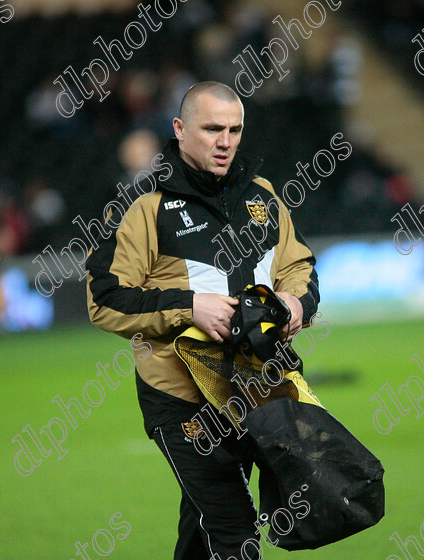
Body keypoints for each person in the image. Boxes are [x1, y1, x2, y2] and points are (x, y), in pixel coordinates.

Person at [86, 81, 319, 560]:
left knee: (203, 530)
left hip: (255, 386)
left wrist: (295, 305)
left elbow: (299, 267)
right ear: (179, 129)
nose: (225, 141)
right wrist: (190, 307)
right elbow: (104, 299)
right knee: (234, 532)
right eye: (212, 128)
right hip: (181, 397)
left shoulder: (262, 194)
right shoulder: (143, 204)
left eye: (234, 129)